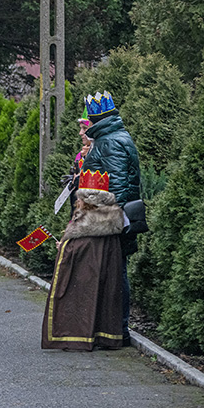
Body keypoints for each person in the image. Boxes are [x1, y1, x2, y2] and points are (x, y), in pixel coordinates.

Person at [80, 90, 141, 347]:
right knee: (115, 272)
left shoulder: (110, 142)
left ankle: (118, 330)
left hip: (111, 220)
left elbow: (116, 188)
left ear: (97, 119)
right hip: (116, 218)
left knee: (114, 273)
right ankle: (114, 328)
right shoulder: (115, 137)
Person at [42, 169, 125, 351]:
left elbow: (79, 251)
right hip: (104, 272)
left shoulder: (88, 223)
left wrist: (64, 247)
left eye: (80, 198)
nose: (76, 201)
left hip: (87, 274)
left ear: (88, 202)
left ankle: (78, 335)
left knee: (84, 297)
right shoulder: (110, 219)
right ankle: (104, 336)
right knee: (103, 296)